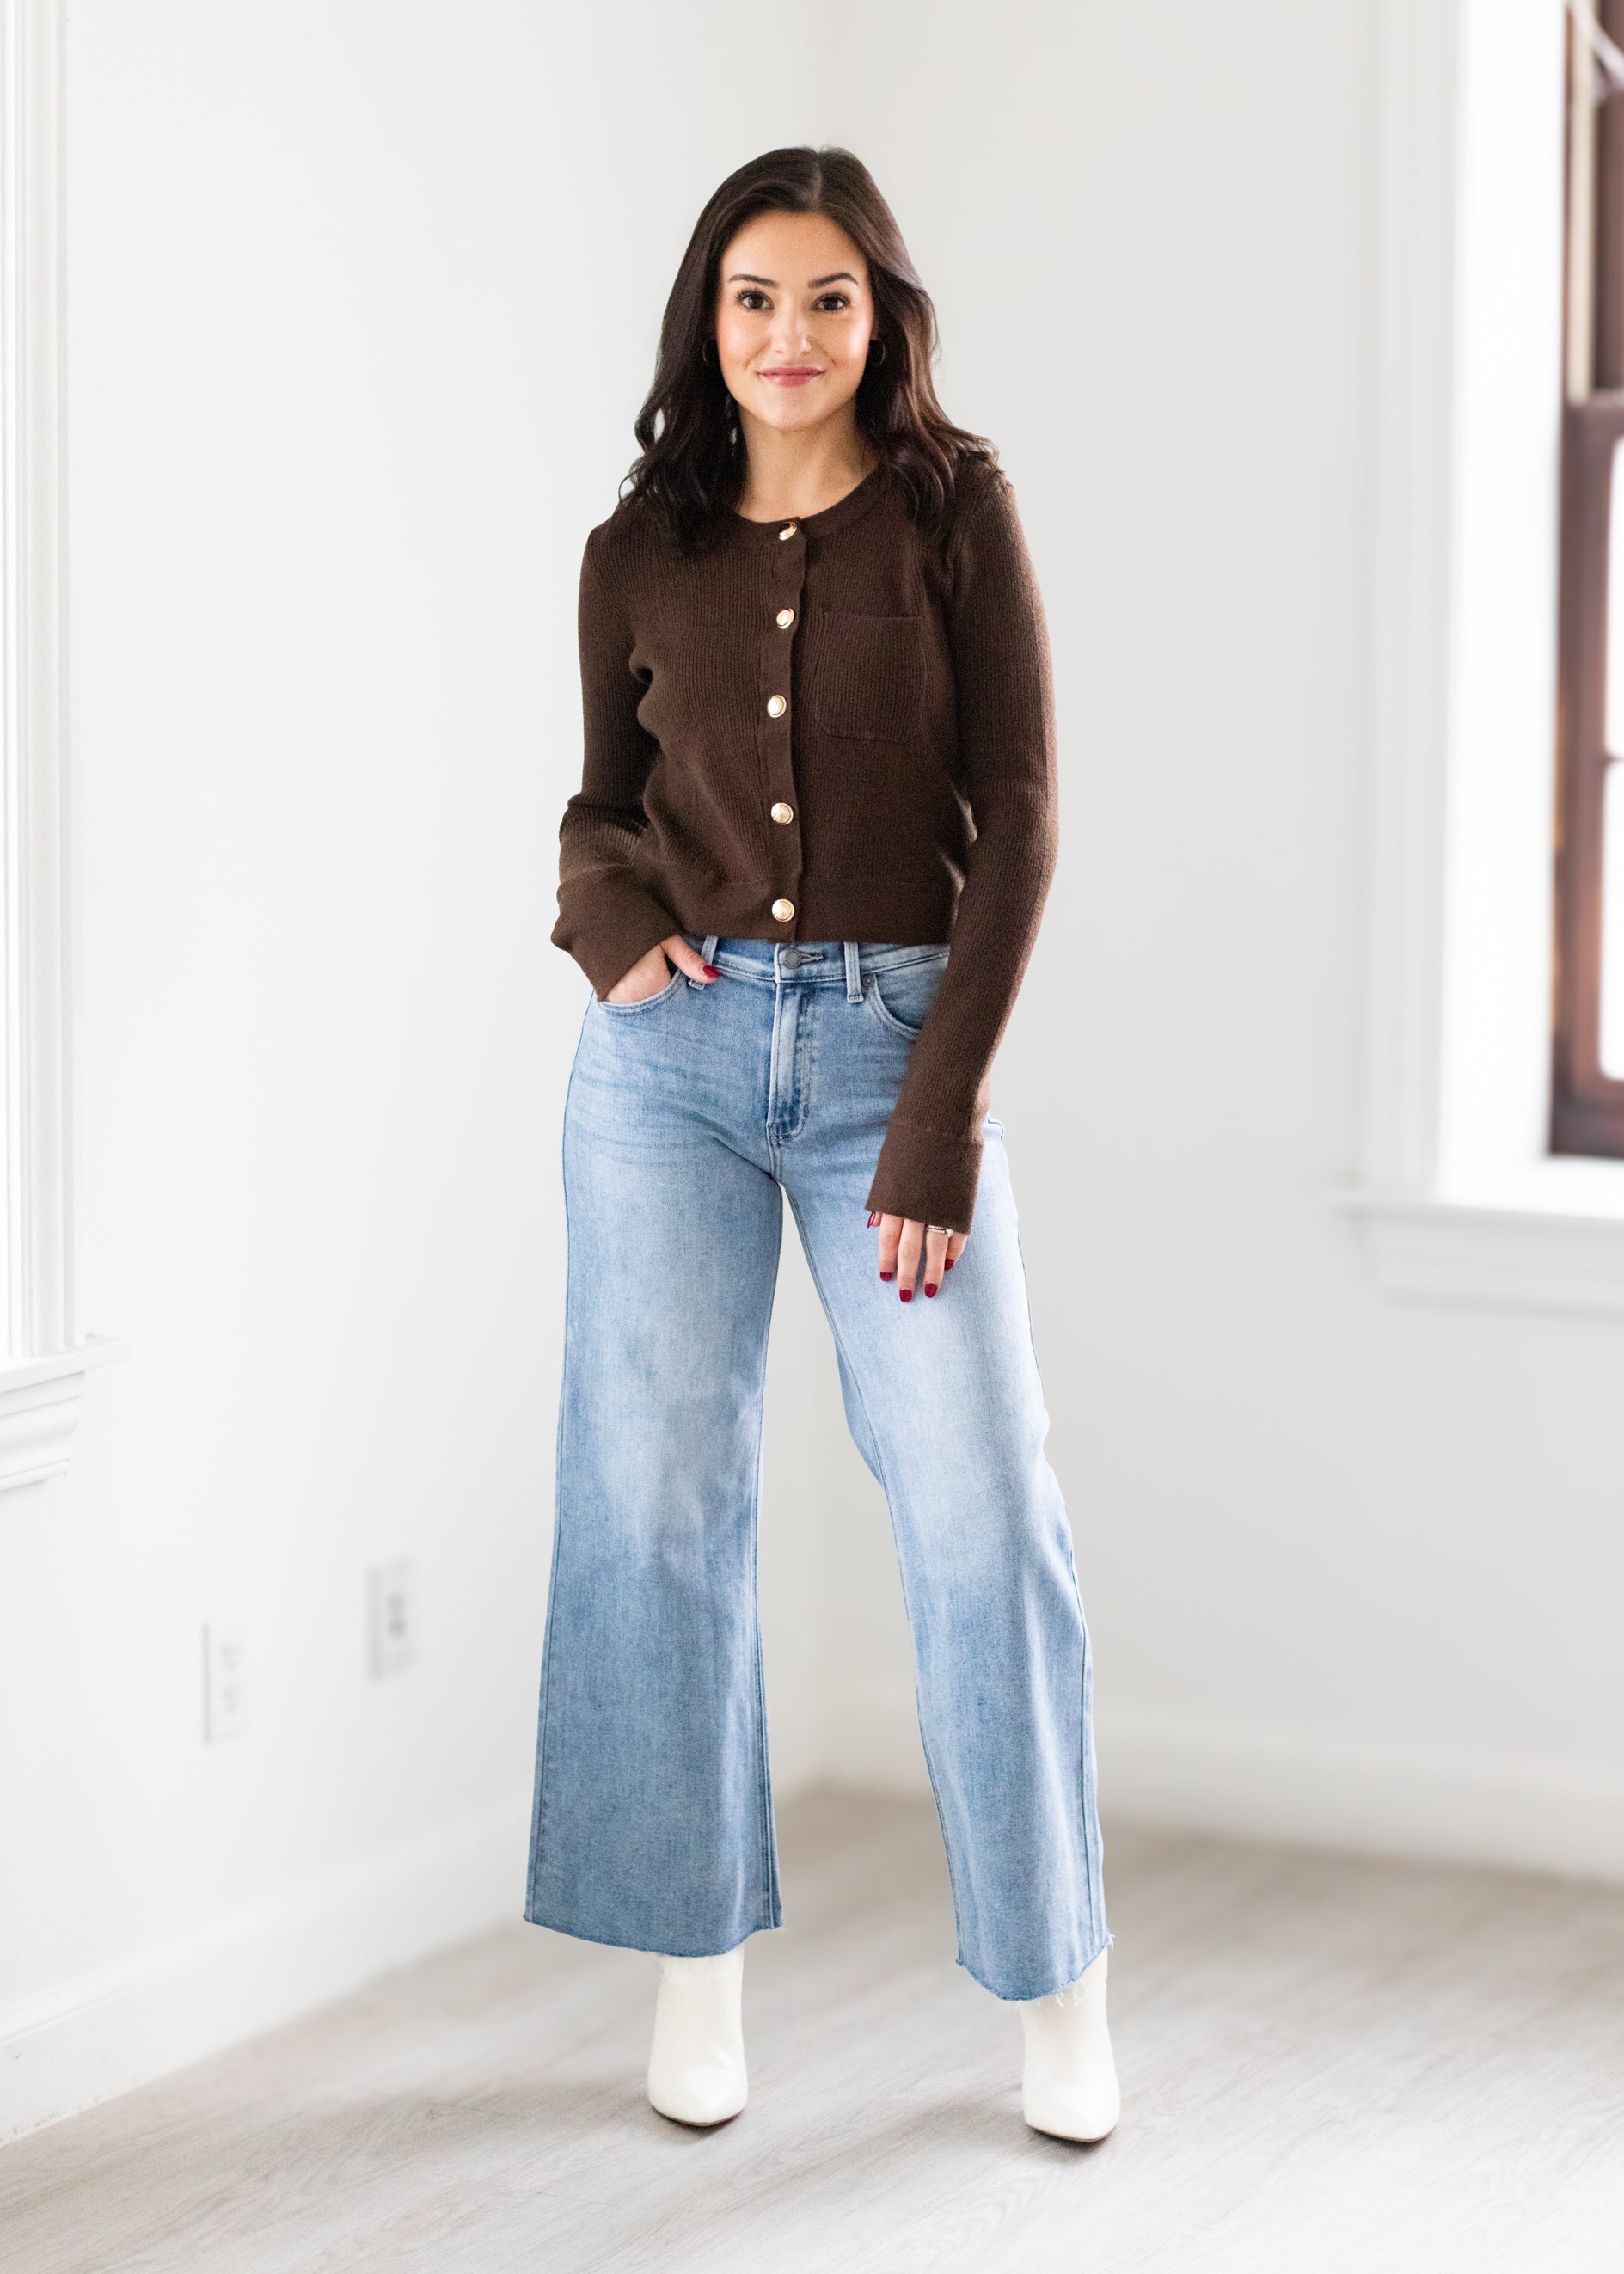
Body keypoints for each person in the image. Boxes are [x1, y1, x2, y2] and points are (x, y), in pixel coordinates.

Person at [524, 144, 1118, 2143]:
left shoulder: (956, 511)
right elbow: (598, 805)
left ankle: (1060, 1990)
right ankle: (692, 1977)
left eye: (830, 299)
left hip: (891, 1059)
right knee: (656, 1511)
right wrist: (608, 931)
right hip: (666, 1074)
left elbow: (1021, 813)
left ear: (884, 317)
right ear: (711, 319)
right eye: (756, 299)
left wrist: (937, 1116)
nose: (791, 336)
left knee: (983, 1513)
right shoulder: (638, 545)